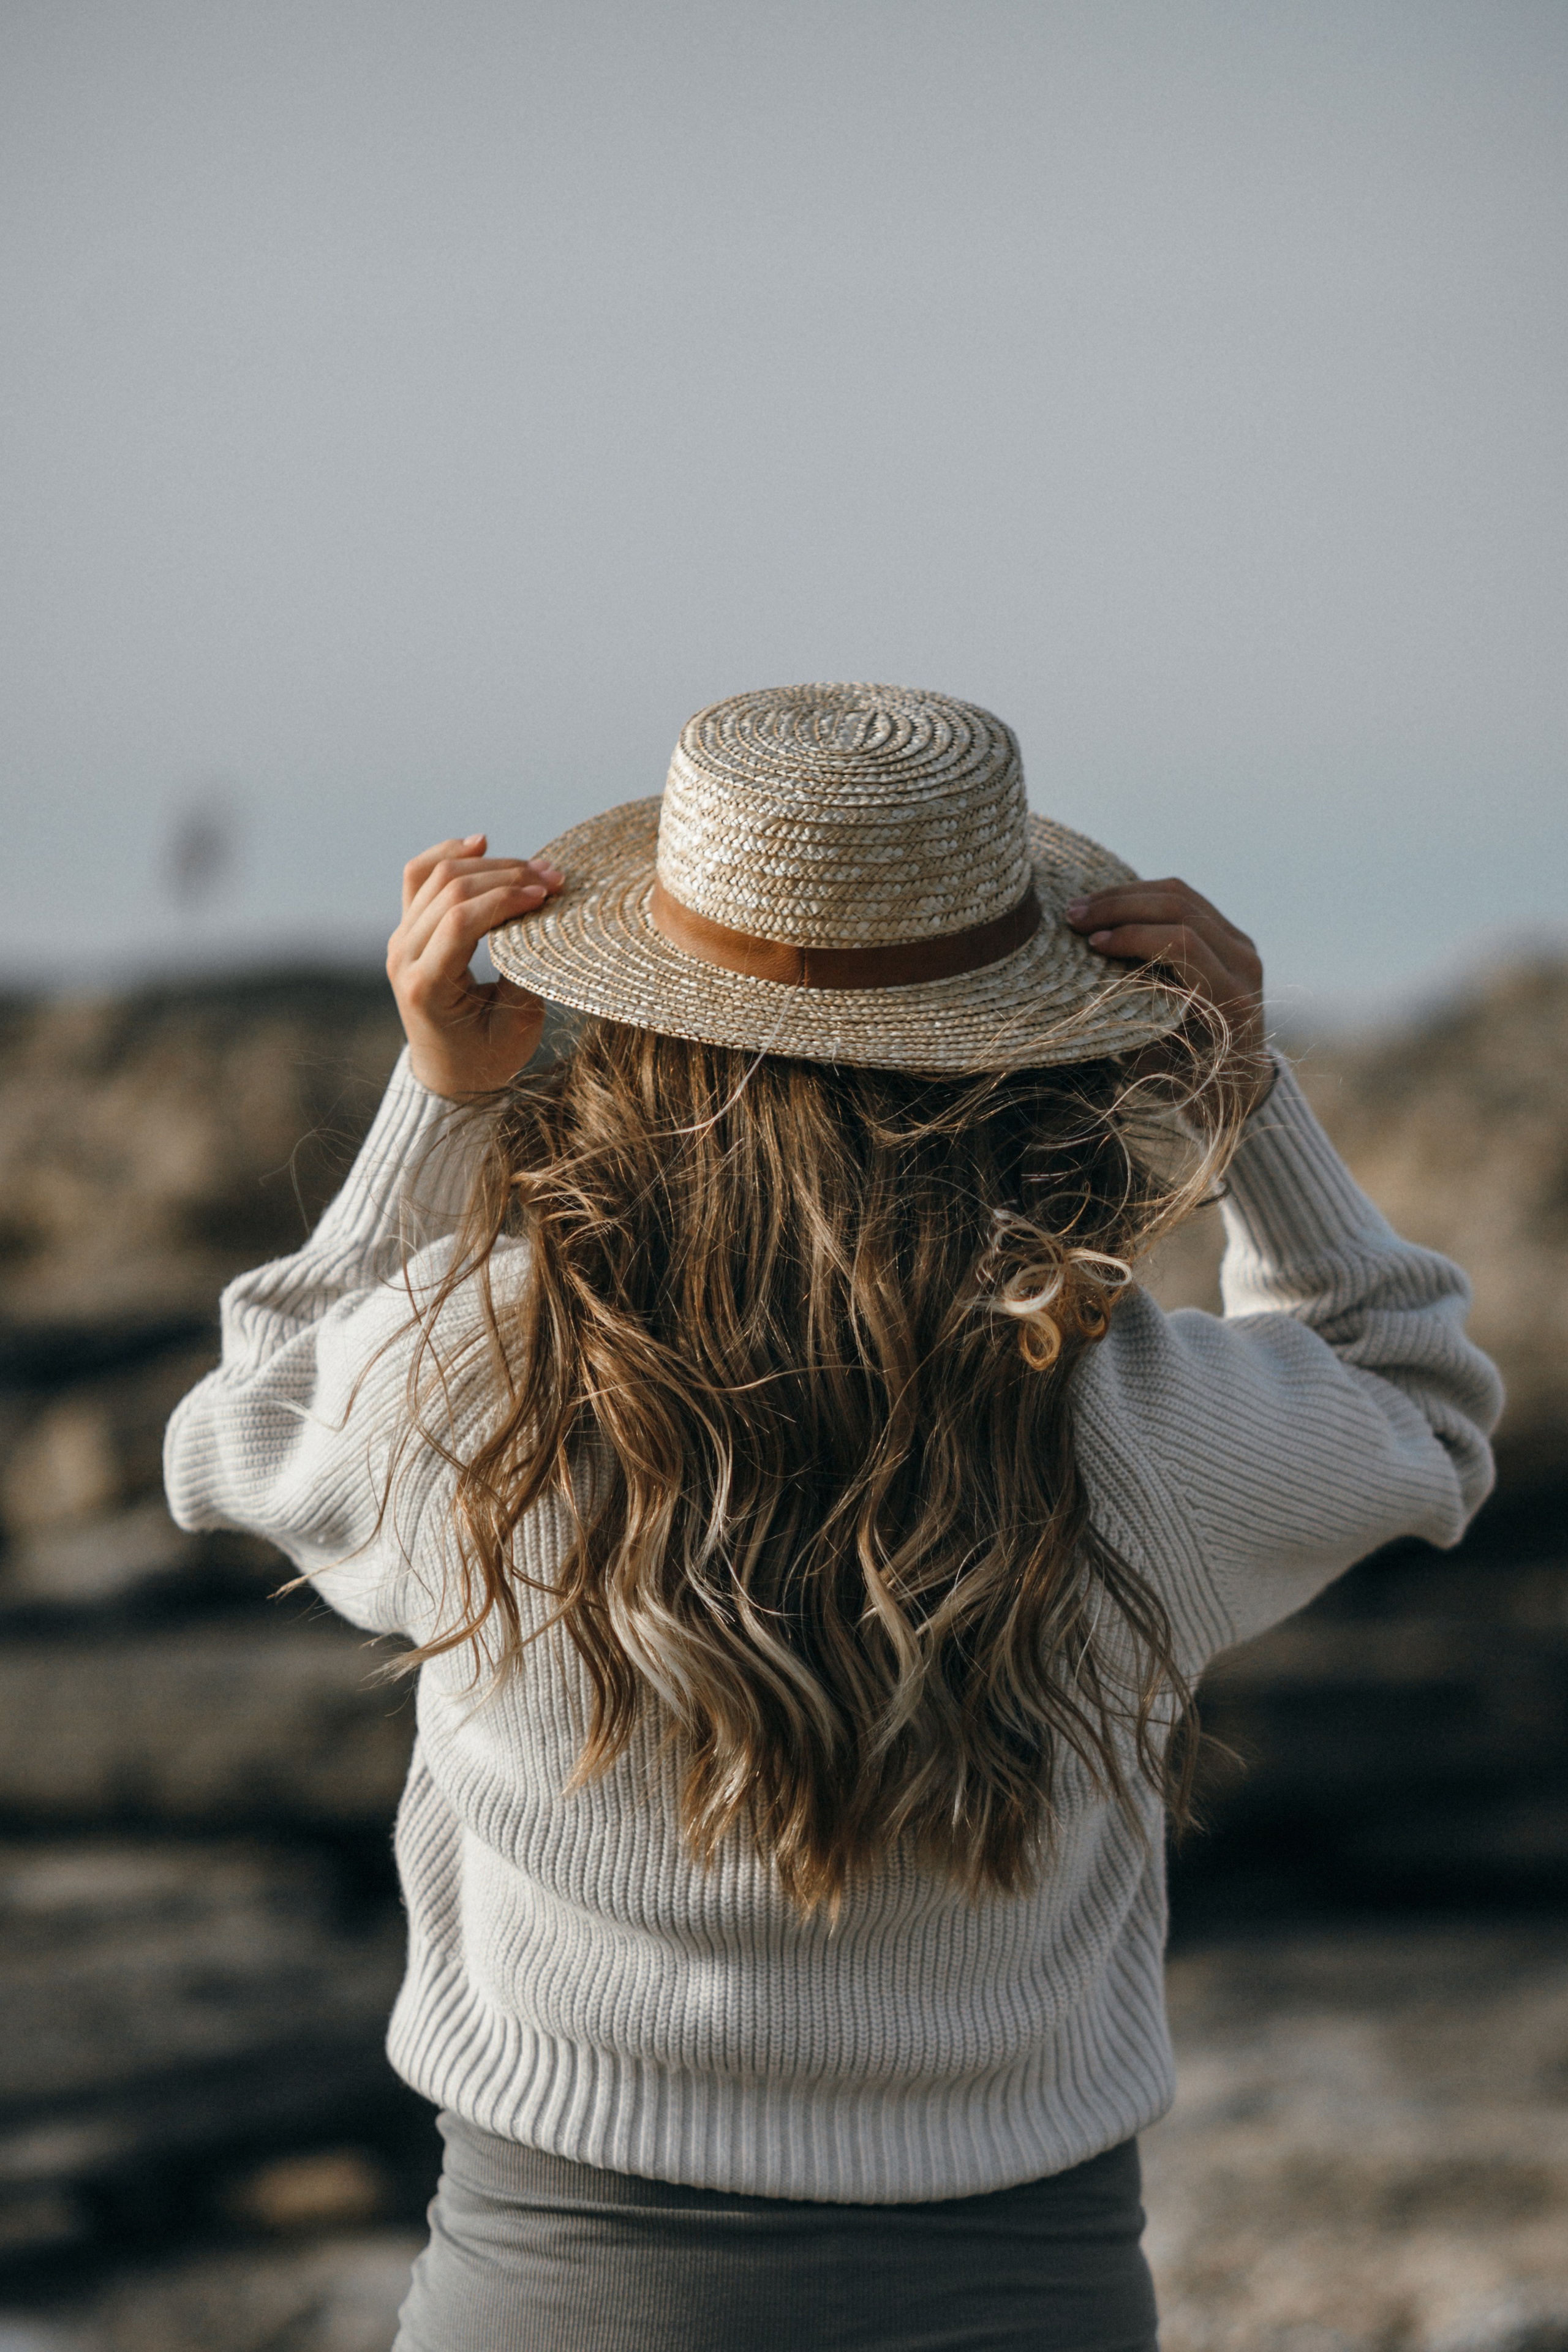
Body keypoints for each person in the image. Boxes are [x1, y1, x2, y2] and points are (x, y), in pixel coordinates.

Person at [165, 684, 1501, 2352]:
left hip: (562, 2290)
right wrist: (1250, 1096)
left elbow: (238, 1423)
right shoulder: (1121, 1408)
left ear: (632, 1028)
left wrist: (438, 1100)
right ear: (1029, 1052)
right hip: (1030, 2295)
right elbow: (1418, 1408)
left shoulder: (473, 1381)